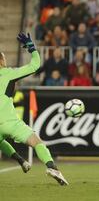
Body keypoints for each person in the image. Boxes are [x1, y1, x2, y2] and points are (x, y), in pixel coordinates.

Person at [0, 33, 68, 185]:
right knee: (36, 142)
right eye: (3, 58)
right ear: (1, 61)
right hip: (9, 121)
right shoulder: (8, 73)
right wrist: (32, 48)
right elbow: (35, 66)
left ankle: (21, 161)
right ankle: (52, 167)